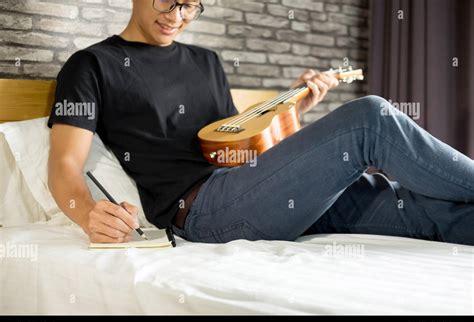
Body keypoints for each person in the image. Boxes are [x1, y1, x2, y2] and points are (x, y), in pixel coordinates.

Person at [48, 0, 474, 246]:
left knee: (420, 208)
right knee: (370, 118)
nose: (176, 15)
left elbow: (235, 144)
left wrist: (293, 109)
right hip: (203, 209)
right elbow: (65, 167)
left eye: (190, 5)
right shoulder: (91, 66)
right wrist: (87, 215)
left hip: (255, 190)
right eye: (168, 0)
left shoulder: (206, 61)